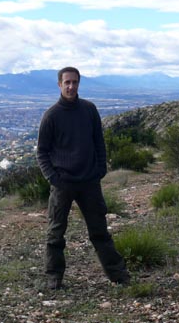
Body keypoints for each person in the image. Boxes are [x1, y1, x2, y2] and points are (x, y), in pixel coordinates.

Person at [36, 66, 130, 290]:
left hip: (89, 182)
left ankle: (119, 275)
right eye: (67, 82)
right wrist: (53, 178)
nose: (71, 86)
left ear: (79, 83)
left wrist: (100, 170)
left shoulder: (89, 110)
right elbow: (42, 152)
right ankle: (53, 278)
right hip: (63, 183)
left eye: (74, 82)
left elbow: (99, 142)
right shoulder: (51, 115)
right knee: (55, 233)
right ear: (59, 84)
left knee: (100, 232)